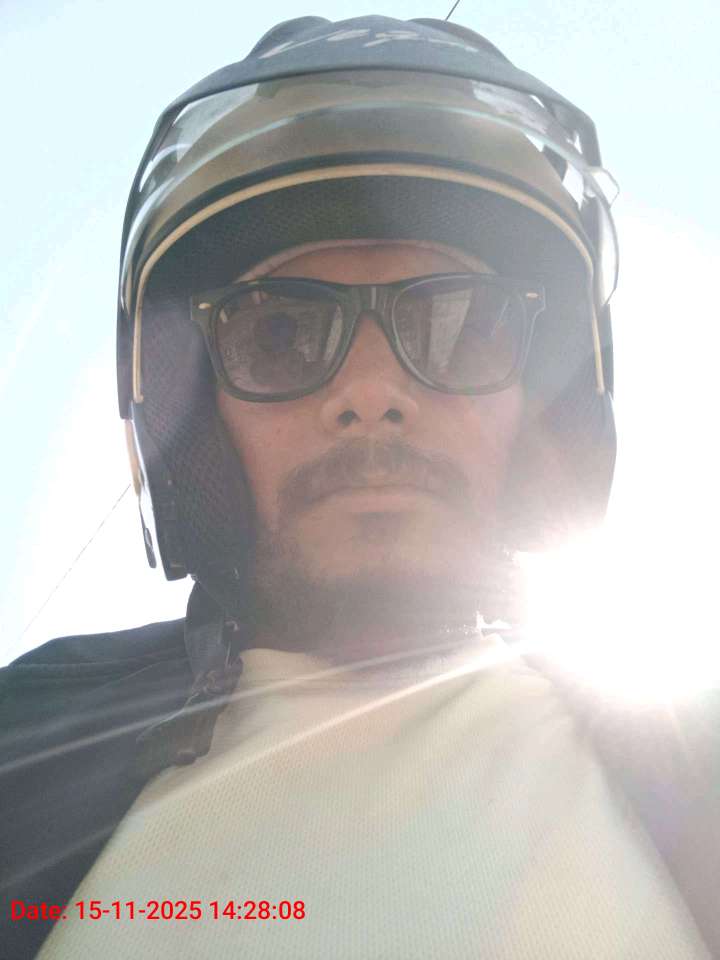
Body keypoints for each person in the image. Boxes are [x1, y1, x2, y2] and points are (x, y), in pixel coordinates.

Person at [1, 15, 718, 959]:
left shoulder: (693, 760)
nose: (372, 394)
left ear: (544, 412)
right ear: (197, 421)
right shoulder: (25, 748)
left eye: (463, 326)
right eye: (279, 334)